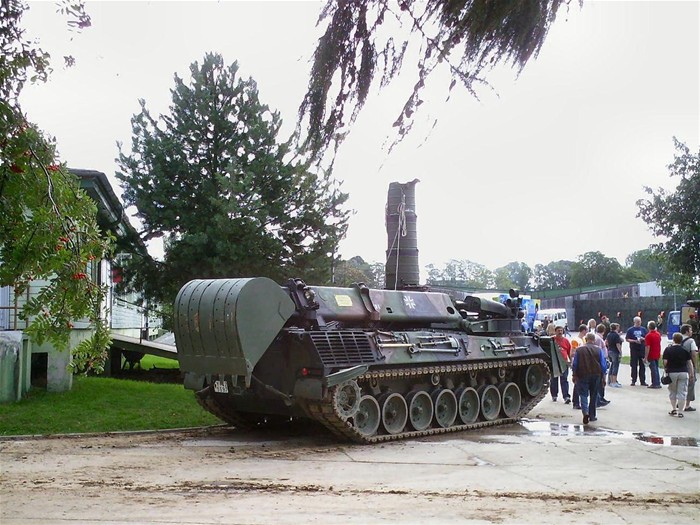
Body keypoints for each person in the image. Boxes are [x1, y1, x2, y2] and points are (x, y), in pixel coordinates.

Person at [572, 332, 607, 425]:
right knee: (594, 395)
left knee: (583, 394)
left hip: (582, 374)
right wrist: (603, 377)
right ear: (594, 340)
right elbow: (603, 365)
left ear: (586, 339)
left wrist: (574, 375)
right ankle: (592, 415)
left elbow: (575, 364)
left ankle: (585, 412)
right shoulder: (598, 350)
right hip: (596, 374)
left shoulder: (579, 350)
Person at [662, 332, 694, 417]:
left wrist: (665, 369)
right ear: (681, 340)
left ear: (673, 339)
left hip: (672, 372)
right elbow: (689, 363)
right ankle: (680, 412)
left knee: (672, 392)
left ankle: (673, 409)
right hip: (683, 372)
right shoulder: (684, 350)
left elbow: (665, 362)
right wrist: (691, 373)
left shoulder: (668, 349)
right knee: (682, 392)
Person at [550, 325, 572, 404]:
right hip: (554, 363)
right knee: (554, 380)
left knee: (564, 380)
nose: (560, 332)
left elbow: (569, 351)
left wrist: (570, 361)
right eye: (558, 331)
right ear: (555, 331)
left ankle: (566, 397)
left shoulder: (566, 341)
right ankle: (554, 395)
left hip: (564, 363)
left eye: (561, 330)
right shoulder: (551, 340)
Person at [680, 323, 698, 412]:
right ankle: (687, 405)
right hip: (688, 365)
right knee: (690, 385)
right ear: (687, 331)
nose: (691, 332)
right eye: (690, 330)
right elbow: (694, 354)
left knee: (680, 386)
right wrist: (695, 365)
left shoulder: (678, 339)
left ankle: (679, 402)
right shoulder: (691, 341)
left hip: (679, 365)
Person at [569, 325, 588, 409]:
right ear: (583, 330)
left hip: (583, 363)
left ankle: (578, 401)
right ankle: (575, 402)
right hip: (577, 363)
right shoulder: (575, 340)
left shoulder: (583, 339)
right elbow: (572, 353)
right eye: (586, 330)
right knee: (577, 383)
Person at [625, 316, 648, 386]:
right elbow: (627, 339)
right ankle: (633, 380)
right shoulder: (630, 330)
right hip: (634, 349)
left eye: (640, 321)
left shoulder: (643, 329)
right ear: (634, 322)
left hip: (642, 349)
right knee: (634, 365)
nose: (639, 323)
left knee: (642, 365)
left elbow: (647, 338)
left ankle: (642, 381)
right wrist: (634, 341)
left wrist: (643, 339)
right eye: (637, 322)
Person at [644, 320, 662, 389]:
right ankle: (658, 382)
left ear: (648, 327)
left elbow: (647, 347)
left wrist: (646, 357)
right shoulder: (658, 334)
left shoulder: (648, 336)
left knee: (653, 369)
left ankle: (655, 383)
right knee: (656, 368)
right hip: (657, 353)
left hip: (651, 354)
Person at [606, 323, 623, 387]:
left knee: (612, 365)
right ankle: (614, 381)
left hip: (610, 350)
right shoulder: (616, 335)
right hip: (615, 351)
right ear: (616, 328)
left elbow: (606, 342)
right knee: (616, 366)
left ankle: (610, 381)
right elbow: (617, 344)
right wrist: (620, 351)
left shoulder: (609, 334)